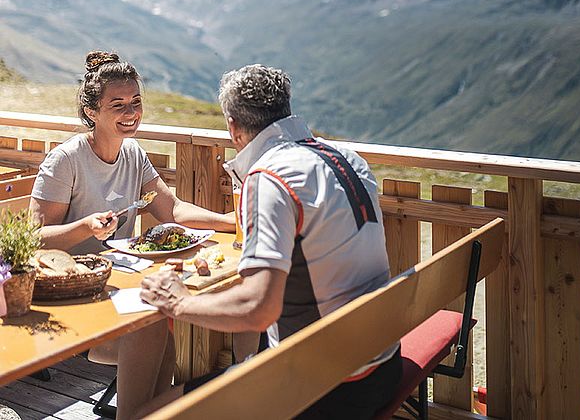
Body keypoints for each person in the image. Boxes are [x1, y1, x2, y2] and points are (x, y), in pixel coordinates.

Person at [140, 64, 401, 419]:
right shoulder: (346, 158)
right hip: (382, 365)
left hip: (322, 388)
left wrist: (179, 302)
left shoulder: (271, 177)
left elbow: (258, 309)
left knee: (145, 415)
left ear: (233, 127)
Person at [30, 51, 235, 420]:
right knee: (151, 328)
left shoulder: (133, 153)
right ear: (91, 111)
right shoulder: (65, 161)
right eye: (118, 105)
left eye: (136, 102)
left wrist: (230, 220)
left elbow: (171, 210)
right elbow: (35, 240)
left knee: (162, 330)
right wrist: (84, 227)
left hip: (116, 288)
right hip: (69, 300)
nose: (131, 113)